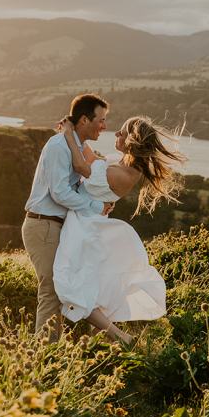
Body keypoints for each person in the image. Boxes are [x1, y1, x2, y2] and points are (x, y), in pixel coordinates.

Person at [53, 115, 186, 346]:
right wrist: (77, 134)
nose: (116, 134)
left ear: (132, 140)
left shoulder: (122, 174)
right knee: (87, 288)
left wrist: (69, 134)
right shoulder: (122, 164)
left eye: (122, 133)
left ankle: (120, 337)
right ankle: (99, 346)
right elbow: (92, 159)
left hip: (85, 229)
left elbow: (82, 165)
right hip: (86, 223)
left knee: (72, 288)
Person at [22, 93, 114, 342]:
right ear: (84, 119)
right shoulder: (58, 146)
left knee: (64, 288)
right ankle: (43, 355)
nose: (104, 126)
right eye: (101, 120)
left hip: (60, 226)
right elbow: (60, 192)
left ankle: (55, 349)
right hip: (44, 224)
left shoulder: (77, 147)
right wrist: (96, 206)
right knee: (51, 291)